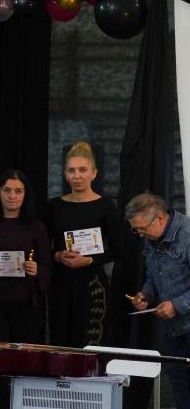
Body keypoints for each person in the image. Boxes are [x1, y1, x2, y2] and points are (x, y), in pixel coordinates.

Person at [0, 170, 51, 409]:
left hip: (26, 306)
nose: (12, 195)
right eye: (7, 190)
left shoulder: (36, 227)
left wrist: (36, 269)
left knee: (25, 366)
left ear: (25, 195)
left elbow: (48, 267)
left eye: (18, 191)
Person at [127, 193, 190, 409]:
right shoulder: (152, 238)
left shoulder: (187, 235)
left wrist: (176, 305)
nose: (140, 234)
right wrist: (146, 294)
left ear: (160, 218)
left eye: (142, 229)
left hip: (184, 318)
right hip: (175, 329)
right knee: (180, 384)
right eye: (136, 230)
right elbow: (153, 275)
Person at [47, 142, 121, 347]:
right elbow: (42, 247)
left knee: (91, 343)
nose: (77, 175)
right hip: (61, 284)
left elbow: (118, 250)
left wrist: (89, 260)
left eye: (82, 170)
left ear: (94, 173)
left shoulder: (105, 205)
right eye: (71, 170)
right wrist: (57, 256)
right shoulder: (54, 206)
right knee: (61, 342)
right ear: (65, 174)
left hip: (93, 284)